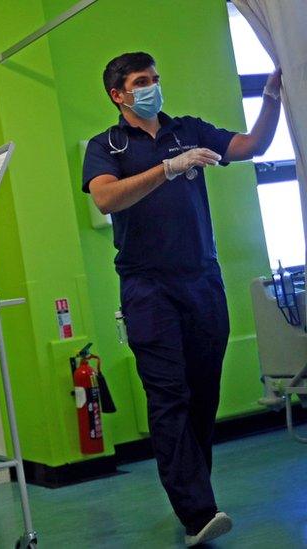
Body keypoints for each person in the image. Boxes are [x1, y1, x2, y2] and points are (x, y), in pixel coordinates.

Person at [82, 52, 281, 546]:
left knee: (202, 395)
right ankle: (198, 512)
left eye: (155, 77)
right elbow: (105, 198)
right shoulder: (106, 145)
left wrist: (273, 96)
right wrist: (167, 170)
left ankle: (196, 493)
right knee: (169, 396)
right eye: (141, 81)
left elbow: (252, 145)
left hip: (202, 281)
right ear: (119, 94)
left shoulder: (186, 129)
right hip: (149, 290)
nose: (152, 86)